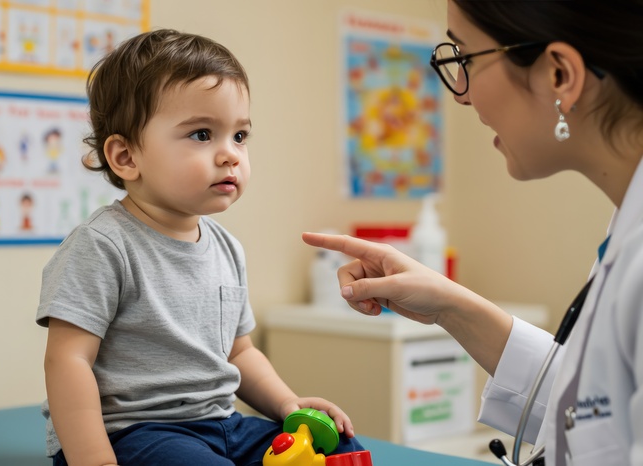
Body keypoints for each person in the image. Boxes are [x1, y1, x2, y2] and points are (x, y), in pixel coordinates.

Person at [304, 1, 643, 465]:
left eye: (464, 59)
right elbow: (594, 399)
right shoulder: (626, 225)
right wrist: (447, 303)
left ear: (559, 75)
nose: (460, 96)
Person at [36, 29, 362, 466]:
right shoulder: (102, 246)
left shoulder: (227, 248)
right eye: (202, 134)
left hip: (220, 424)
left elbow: (239, 353)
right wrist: (91, 458)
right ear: (126, 157)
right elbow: (67, 361)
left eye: (240, 136)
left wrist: (289, 405)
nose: (230, 154)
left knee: (339, 450)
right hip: (132, 432)